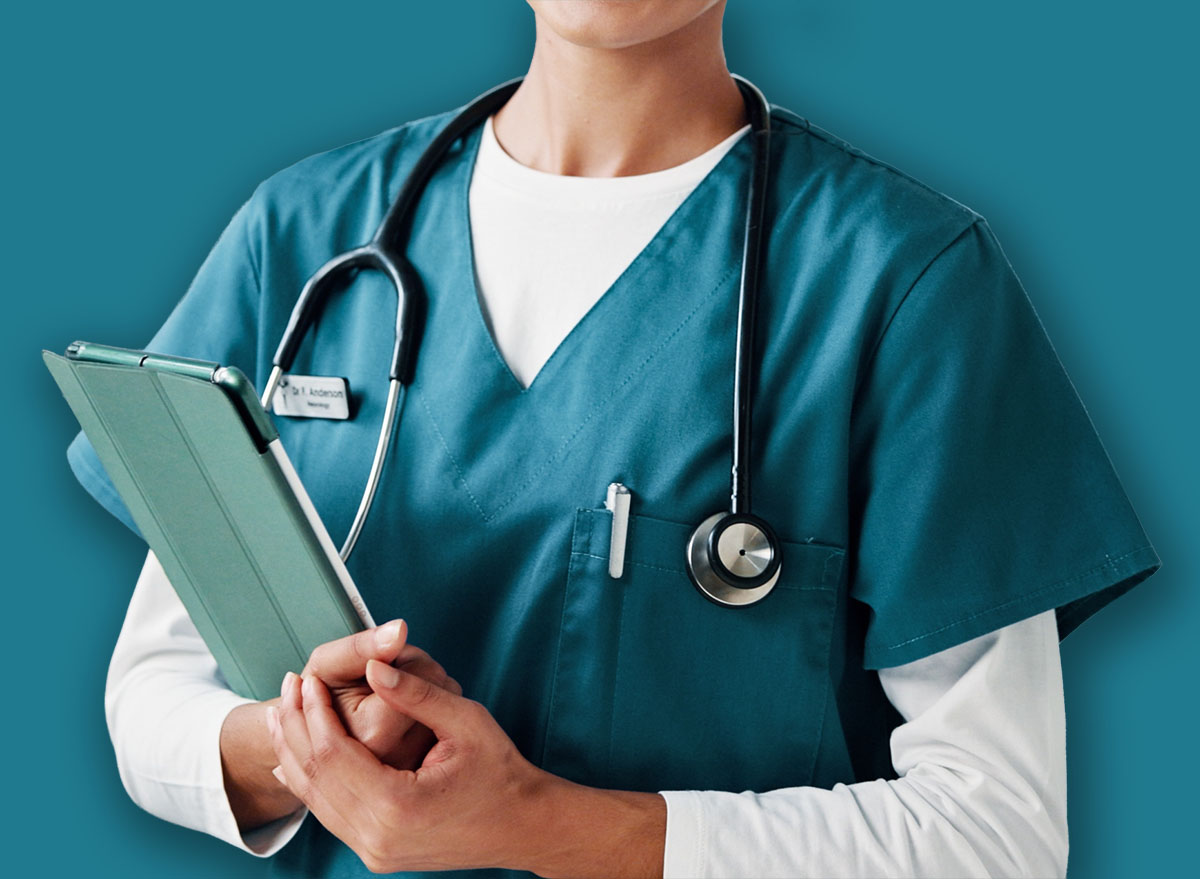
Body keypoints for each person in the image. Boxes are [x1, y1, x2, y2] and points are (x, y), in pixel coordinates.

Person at [66, 2, 1160, 877]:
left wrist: (549, 827)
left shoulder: (905, 285)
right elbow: (152, 701)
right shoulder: (303, 239)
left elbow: (997, 840)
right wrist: (309, 752)